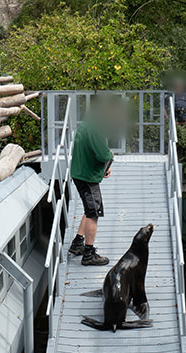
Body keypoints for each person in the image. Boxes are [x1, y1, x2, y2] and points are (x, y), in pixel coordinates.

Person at [67, 99, 116, 266]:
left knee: (89, 210)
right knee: (94, 213)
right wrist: (110, 155)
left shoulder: (85, 125)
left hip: (80, 173)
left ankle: (77, 243)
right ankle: (89, 254)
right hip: (87, 178)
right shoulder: (95, 129)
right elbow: (103, 155)